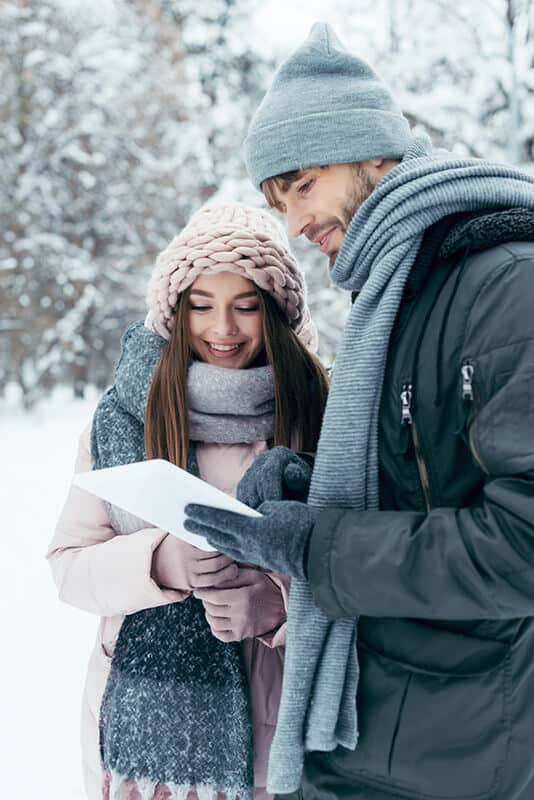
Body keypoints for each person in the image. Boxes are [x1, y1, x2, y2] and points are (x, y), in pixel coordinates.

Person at [183, 22, 534, 800]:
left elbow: (522, 545)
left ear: (371, 152)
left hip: (455, 751)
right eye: (278, 201)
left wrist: (322, 547)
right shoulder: (398, 295)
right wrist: (309, 484)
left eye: (303, 185)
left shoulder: (507, 286)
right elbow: (425, 483)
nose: (296, 224)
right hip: (371, 733)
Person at [47, 203, 328, 800]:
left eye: (245, 305)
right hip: (141, 751)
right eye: (201, 304)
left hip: (277, 730)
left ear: (276, 313)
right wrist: (158, 562)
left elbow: (363, 574)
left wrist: (279, 608)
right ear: (175, 312)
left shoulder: (321, 417)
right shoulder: (124, 419)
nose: (222, 328)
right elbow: (68, 565)